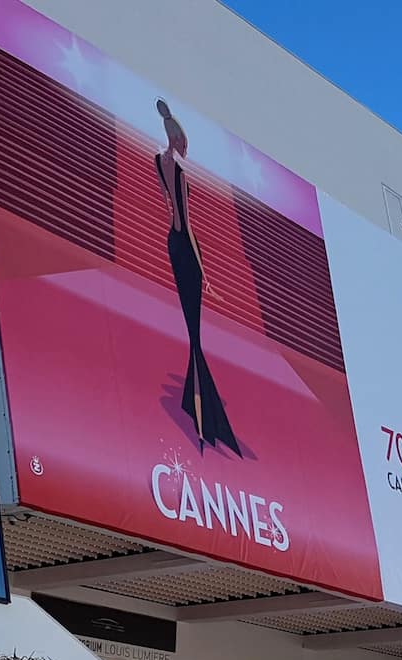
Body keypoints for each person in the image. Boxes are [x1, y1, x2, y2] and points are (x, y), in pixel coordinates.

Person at [154, 98, 241, 457]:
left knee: (193, 336)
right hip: (187, 250)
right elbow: (187, 226)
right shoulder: (180, 172)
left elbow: (168, 208)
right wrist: (206, 276)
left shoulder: (158, 162)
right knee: (195, 337)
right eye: (184, 143)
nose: (185, 149)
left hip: (171, 245)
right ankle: (205, 421)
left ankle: (200, 414)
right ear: (177, 140)